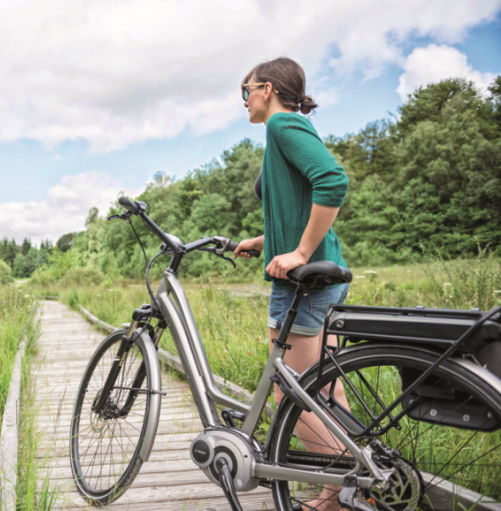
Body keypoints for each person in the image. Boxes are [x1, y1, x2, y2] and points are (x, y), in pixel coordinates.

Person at [233, 57, 350, 511]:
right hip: (323, 274)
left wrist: (299, 253)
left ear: (266, 89)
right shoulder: (284, 133)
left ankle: (347, 488)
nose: (243, 102)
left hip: (304, 282)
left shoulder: (283, 126)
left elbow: (332, 182)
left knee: (292, 396)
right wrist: (266, 241)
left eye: (245, 92)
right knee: (327, 388)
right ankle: (341, 490)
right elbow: (300, 202)